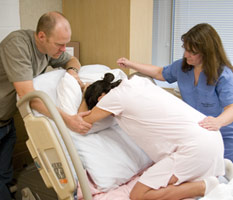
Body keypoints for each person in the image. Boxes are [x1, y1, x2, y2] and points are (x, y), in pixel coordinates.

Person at [78, 72, 226, 200]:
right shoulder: (138, 82)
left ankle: (202, 187)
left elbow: (79, 124)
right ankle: (217, 169)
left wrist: (85, 95)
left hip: (193, 149)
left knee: (138, 194)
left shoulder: (114, 98)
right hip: (212, 137)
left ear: (100, 99)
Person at [0, 11, 91, 199]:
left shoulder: (48, 50)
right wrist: (67, 120)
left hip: (6, 121)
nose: (63, 49)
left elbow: (72, 60)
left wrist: (73, 72)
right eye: (60, 44)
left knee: (5, 176)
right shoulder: (17, 45)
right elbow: (29, 97)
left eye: (66, 43)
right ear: (42, 36)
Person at [117, 23, 233, 162]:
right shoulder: (183, 67)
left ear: (207, 53)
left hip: (222, 135)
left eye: (192, 52)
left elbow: (231, 108)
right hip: (195, 133)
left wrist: (217, 122)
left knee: (222, 173)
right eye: (185, 49)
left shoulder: (224, 75)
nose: (186, 55)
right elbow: (160, 73)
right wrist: (130, 64)